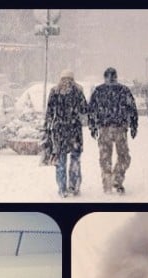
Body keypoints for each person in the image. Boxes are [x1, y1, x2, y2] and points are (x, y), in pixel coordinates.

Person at [88, 67, 138, 194]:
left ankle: (107, 183)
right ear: (116, 76)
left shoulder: (98, 91)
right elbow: (132, 109)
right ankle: (117, 178)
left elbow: (91, 111)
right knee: (124, 156)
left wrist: (93, 126)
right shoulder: (123, 90)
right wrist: (133, 125)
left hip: (104, 128)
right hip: (120, 128)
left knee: (105, 158)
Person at [44, 69, 88, 198]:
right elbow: (84, 109)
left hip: (60, 131)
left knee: (60, 161)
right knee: (75, 160)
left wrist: (48, 127)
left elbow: (49, 112)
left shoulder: (54, 91)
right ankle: (73, 187)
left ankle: (62, 188)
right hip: (74, 131)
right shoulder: (78, 91)